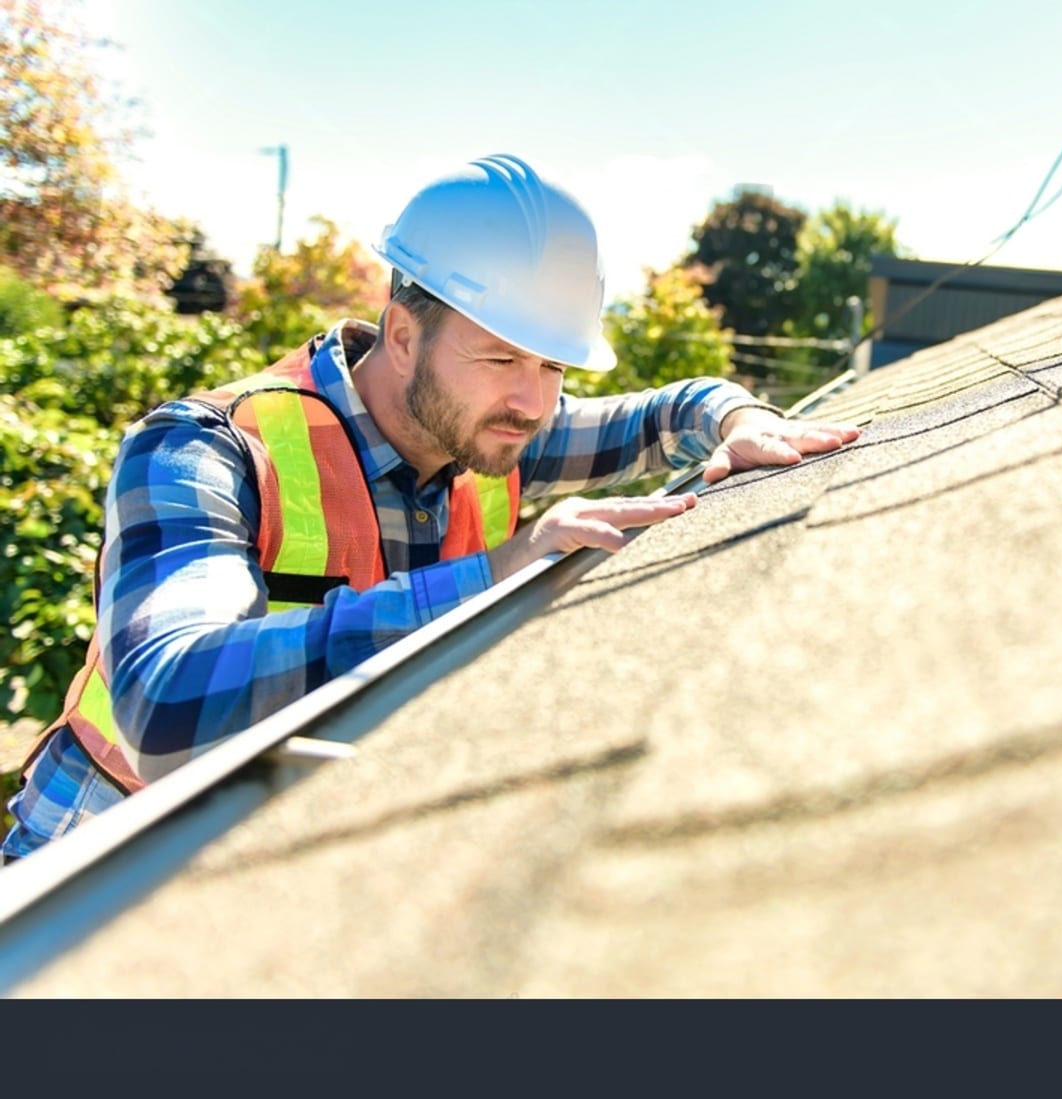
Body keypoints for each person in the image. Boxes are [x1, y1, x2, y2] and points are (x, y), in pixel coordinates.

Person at [2, 154, 859, 862]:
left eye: (555, 367)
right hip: (92, 858)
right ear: (403, 335)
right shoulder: (204, 448)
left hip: (264, 857)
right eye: (501, 359)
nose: (533, 401)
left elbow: (671, 409)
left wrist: (742, 419)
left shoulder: (494, 431)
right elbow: (166, 704)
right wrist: (496, 577)